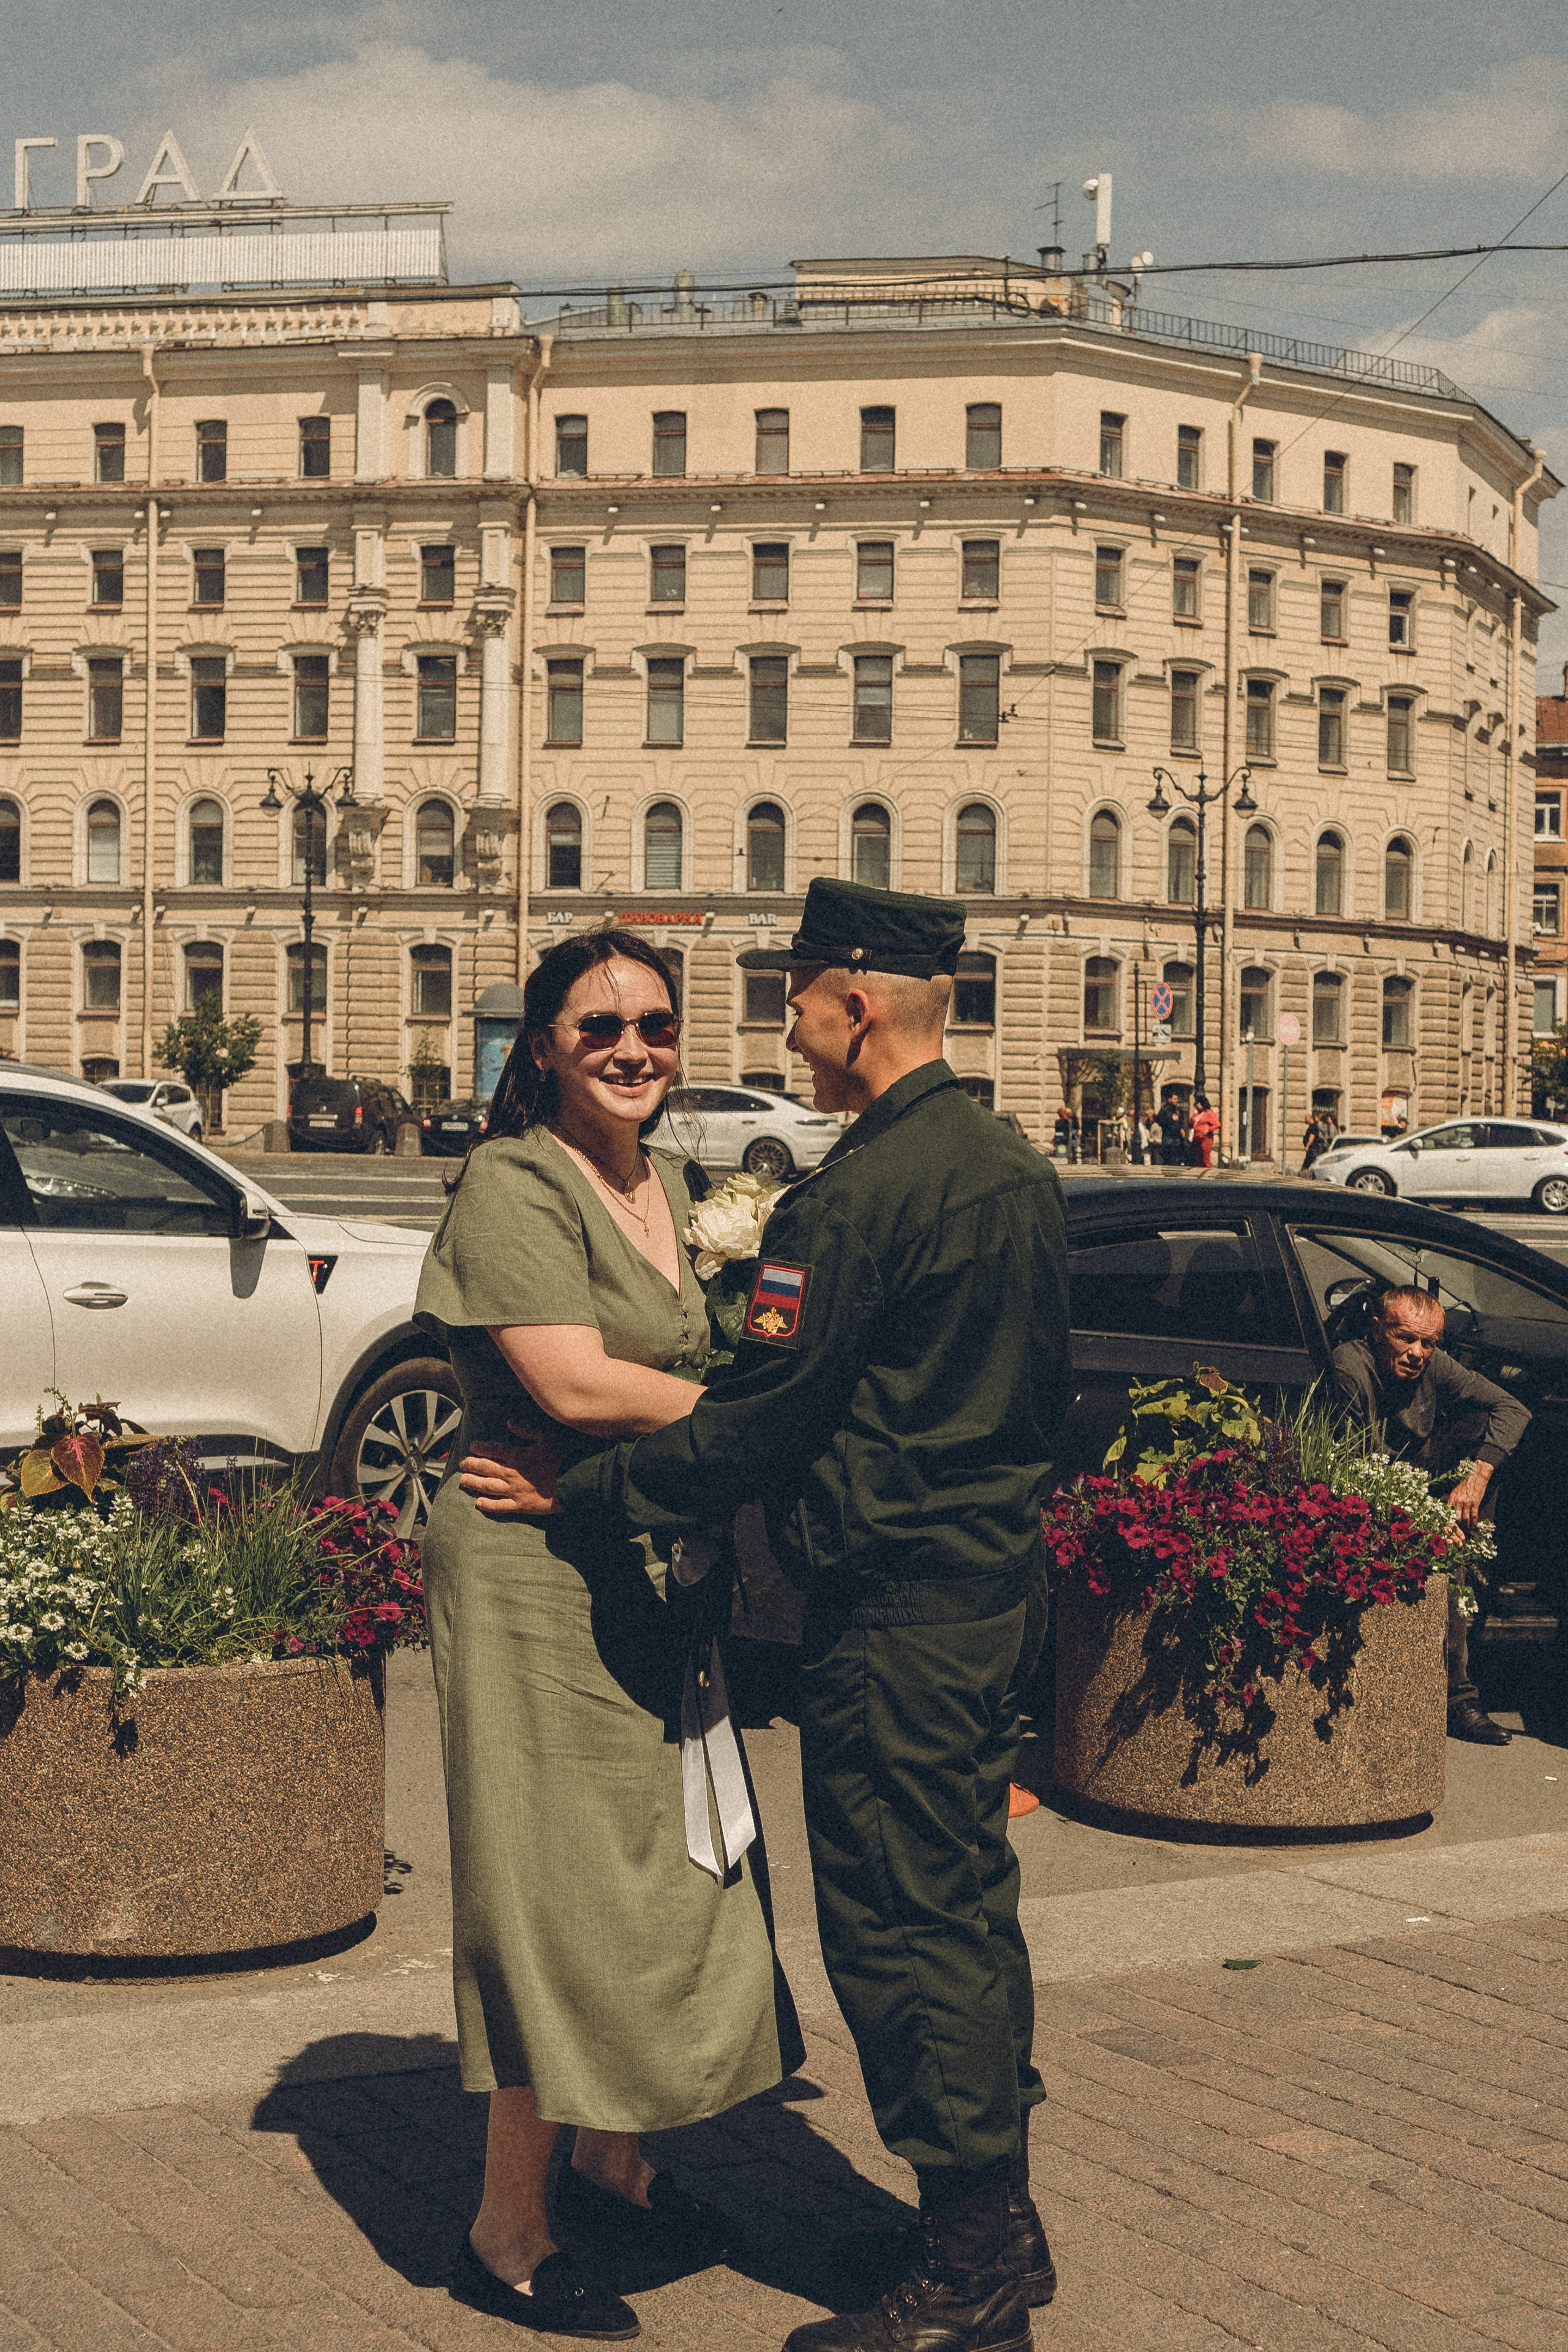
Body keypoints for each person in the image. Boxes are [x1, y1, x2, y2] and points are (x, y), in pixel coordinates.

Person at [468, 879, 1072, 2352]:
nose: (785, 1028)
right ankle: (996, 2226)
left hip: (892, 1619)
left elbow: (763, 1424)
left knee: (901, 1935)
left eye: (795, 1000)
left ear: (855, 1006)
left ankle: (968, 2276)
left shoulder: (858, 1193)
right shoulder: (1005, 1166)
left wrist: (584, 1492)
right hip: (988, 1595)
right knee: (967, 1914)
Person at [414, 927, 802, 2340]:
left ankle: (612, 2163)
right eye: (598, 1026)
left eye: (655, 1022)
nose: (633, 1046)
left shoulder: (682, 1188)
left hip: (638, 1552)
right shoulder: (516, 1181)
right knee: (556, 1891)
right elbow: (572, 1385)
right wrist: (765, 1417)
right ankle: (505, 2231)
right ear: (542, 1047)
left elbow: (721, 1344)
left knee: (670, 1872)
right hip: (529, 1567)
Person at [1332, 1284, 1530, 1744]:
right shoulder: (1350, 1368)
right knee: (1446, 1552)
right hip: (1366, 1495)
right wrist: (1424, 1518)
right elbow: (1351, 1475)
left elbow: (1512, 1408)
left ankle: (1471, 1559)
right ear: (1377, 1330)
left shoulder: (1432, 1364)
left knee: (1487, 1441)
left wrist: (1478, 1475)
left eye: (1429, 1342)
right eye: (1405, 1338)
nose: (1417, 1353)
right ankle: (1457, 1697)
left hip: (1413, 1479)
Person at [1153, 1089, 1186, 1167]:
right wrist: (1171, 1119)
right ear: (1169, 1099)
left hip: (1177, 1136)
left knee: (1176, 1157)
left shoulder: (1177, 1109)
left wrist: (1181, 1128)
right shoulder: (1164, 1110)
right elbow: (1160, 1121)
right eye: (1175, 1099)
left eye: (1177, 1099)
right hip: (1168, 1136)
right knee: (1168, 1156)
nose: (1176, 1101)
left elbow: (1180, 1120)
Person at [1190, 1094, 1219, 1170]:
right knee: (1197, 1158)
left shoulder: (1209, 1113)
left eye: (1199, 1103)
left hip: (1205, 1138)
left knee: (1205, 1156)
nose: (1197, 1105)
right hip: (1197, 1138)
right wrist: (1193, 1116)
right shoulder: (1197, 1114)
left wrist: (1208, 1130)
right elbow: (1190, 1123)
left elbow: (1217, 1124)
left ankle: (1208, 1170)